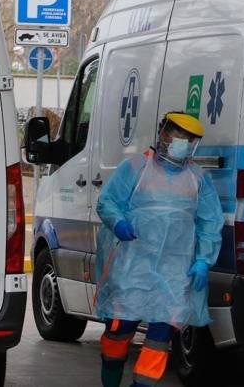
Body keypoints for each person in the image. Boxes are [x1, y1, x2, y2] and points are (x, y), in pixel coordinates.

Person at [94, 111, 223, 387]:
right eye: (180, 136)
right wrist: (117, 222)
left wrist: (203, 260)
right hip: (131, 269)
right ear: (163, 134)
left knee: (158, 341)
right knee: (118, 333)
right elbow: (107, 201)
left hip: (173, 274)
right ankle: (111, 379)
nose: (184, 144)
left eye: (190, 140)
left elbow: (210, 222)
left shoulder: (198, 179)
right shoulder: (136, 168)